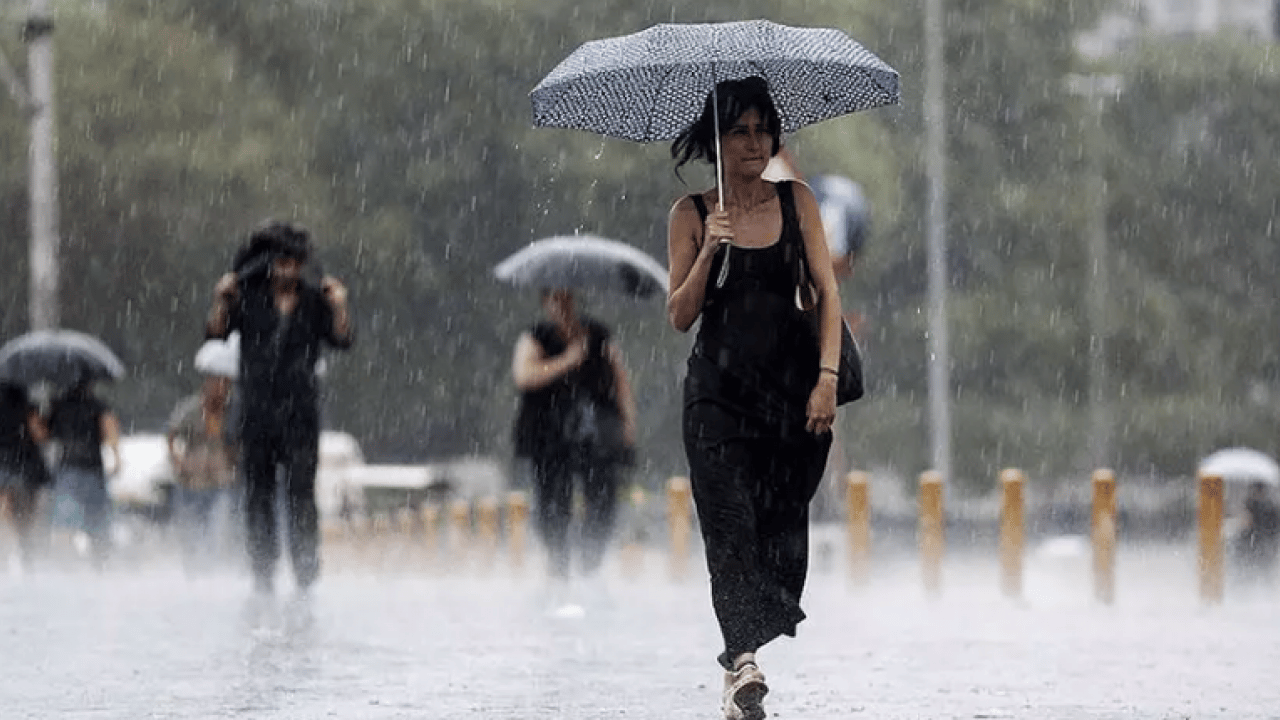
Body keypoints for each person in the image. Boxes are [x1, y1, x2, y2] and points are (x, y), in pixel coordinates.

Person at [665, 76, 842, 720]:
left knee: (778, 532)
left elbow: (827, 292)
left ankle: (744, 645)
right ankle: (742, 665)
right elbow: (679, 314)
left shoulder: (797, 202)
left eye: (762, 129)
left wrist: (826, 378)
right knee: (728, 525)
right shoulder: (690, 214)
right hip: (714, 398)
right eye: (738, 131)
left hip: (788, 398)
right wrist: (711, 246)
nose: (752, 142)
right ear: (716, 139)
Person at [206, 220, 353, 597]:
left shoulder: (316, 298)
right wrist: (221, 299)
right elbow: (214, 333)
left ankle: (306, 572)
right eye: (281, 261)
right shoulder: (246, 295)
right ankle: (262, 573)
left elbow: (342, 339)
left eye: (294, 261)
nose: (287, 269)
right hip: (256, 411)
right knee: (258, 495)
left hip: (301, 413)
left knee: (302, 493)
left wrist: (339, 306)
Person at [511, 288, 637, 586]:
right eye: (556, 299)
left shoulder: (598, 335)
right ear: (546, 303)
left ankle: (590, 563)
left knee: (603, 499)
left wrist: (628, 424)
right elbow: (524, 376)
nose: (563, 305)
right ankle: (558, 565)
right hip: (549, 434)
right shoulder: (535, 337)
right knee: (552, 501)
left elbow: (620, 380)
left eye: (567, 298)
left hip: (596, 434)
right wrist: (567, 360)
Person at [165, 371, 238, 575]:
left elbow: (238, 443)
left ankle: (211, 572)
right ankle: (193, 573)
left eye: (224, 385)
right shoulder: (191, 409)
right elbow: (172, 432)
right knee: (190, 533)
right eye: (215, 384)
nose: (219, 389)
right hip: (190, 480)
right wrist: (176, 458)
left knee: (216, 532)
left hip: (220, 482)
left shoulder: (232, 412)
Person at [47, 380, 122, 568]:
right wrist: (116, 457)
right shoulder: (96, 404)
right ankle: (99, 566)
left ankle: (66, 567)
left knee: (64, 524)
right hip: (92, 469)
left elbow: (44, 433)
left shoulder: (58, 405)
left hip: (68, 469)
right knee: (97, 524)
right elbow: (110, 429)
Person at [0, 382, 52, 570]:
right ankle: (25, 551)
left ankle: (8, 556)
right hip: (27, 466)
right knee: (26, 515)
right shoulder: (28, 408)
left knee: (6, 511)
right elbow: (40, 435)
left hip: (4, 465)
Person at [1236, 481, 1280, 581]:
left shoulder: (1251, 505)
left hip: (1255, 548)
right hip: (1266, 549)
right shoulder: (1272, 507)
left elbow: (1246, 527)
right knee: (1264, 575)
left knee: (1251, 575)